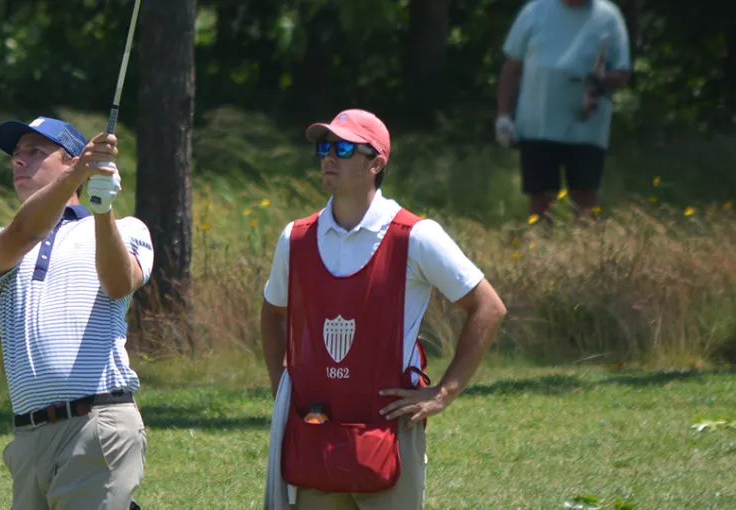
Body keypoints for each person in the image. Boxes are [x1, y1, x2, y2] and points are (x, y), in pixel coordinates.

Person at [261, 109, 508, 510]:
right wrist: (281, 391)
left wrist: (443, 393)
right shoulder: (296, 237)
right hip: (315, 430)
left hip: (389, 431)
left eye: (343, 148)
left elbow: (488, 307)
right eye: (325, 147)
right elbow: (272, 314)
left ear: (376, 163)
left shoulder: (415, 236)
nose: (329, 157)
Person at [0, 115, 155, 510]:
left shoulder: (128, 228)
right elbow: (23, 234)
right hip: (29, 439)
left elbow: (119, 282)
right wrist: (75, 180)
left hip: (98, 422)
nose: (20, 161)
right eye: (17, 155)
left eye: (35, 152)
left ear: (73, 161)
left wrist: (102, 207)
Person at [494, 0, 632, 225]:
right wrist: (503, 116)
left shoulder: (608, 16)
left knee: (585, 197)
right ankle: (539, 251)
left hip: (586, 129)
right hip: (538, 125)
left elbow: (622, 72)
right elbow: (511, 67)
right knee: (539, 197)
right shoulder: (535, 11)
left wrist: (600, 81)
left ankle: (587, 252)